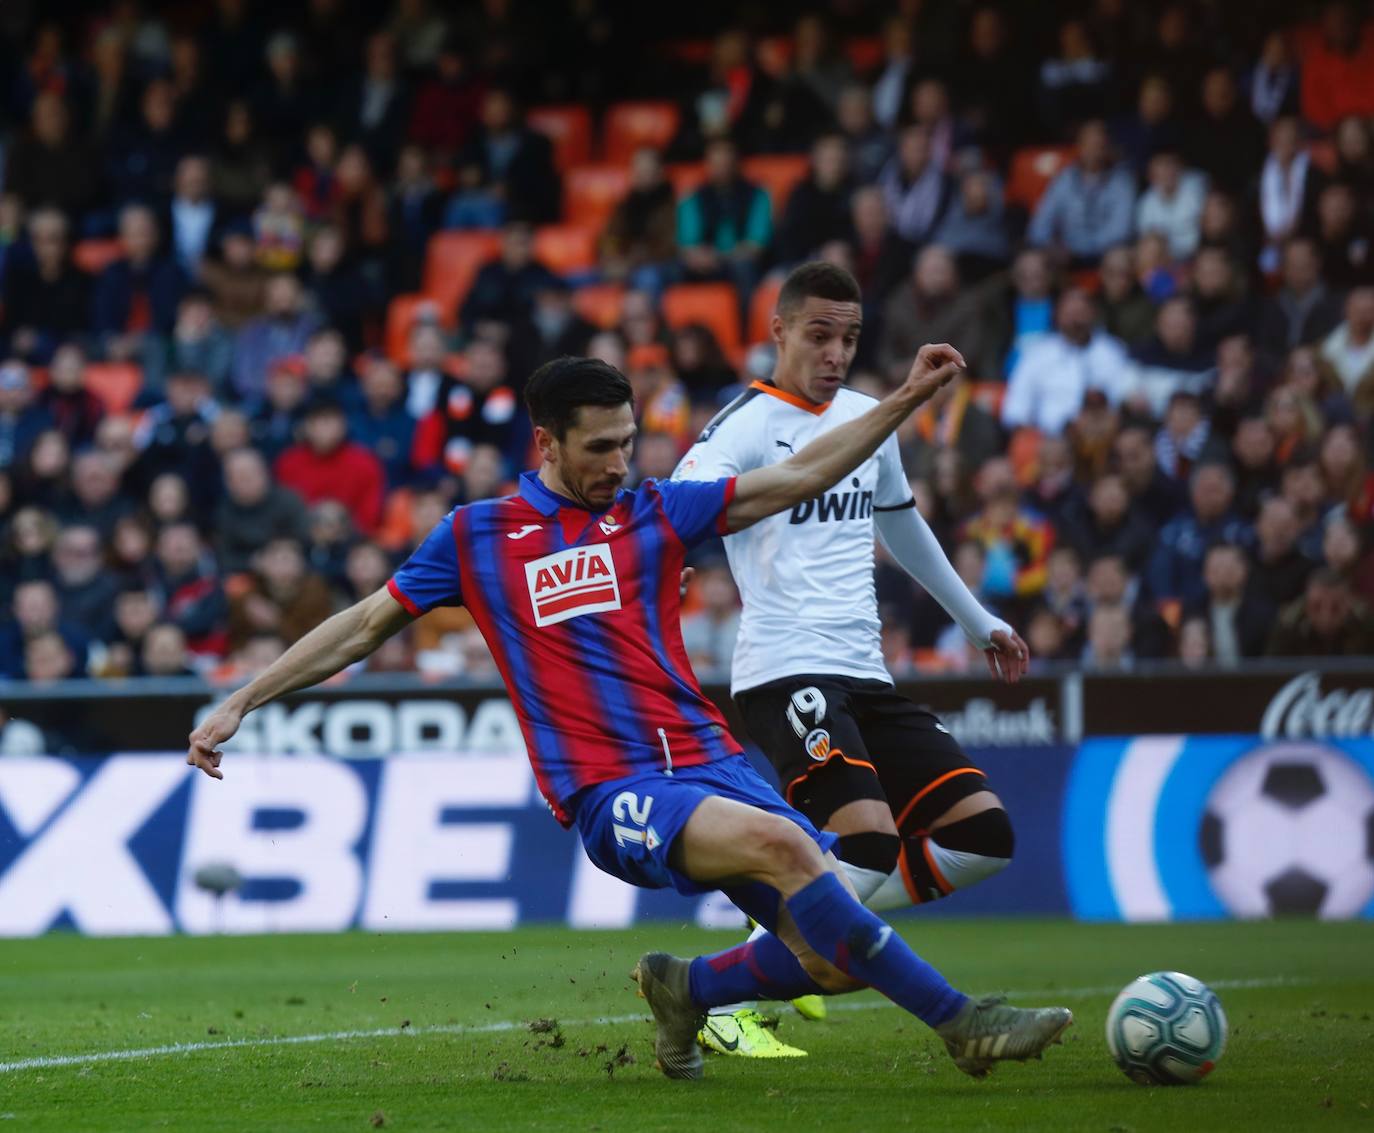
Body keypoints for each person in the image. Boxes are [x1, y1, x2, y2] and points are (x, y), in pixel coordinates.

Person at [187, 349, 1071, 1083]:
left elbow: (801, 471)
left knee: (833, 954)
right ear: (545, 442)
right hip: (616, 791)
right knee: (795, 851)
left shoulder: (655, 512)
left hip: (716, 763)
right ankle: (965, 1021)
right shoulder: (477, 535)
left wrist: (908, 399)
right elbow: (364, 624)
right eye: (601, 447)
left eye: (629, 441)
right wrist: (242, 698)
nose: (620, 462)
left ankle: (686, 988)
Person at [673, 262, 1028, 1056]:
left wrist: (976, 620)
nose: (836, 353)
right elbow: (677, 502)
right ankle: (738, 996)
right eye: (820, 334)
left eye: (850, 338)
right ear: (779, 333)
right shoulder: (745, 425)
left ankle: (779, 940)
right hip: (783, 670)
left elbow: (899, 525)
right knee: (866, 843)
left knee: (982, 836)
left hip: (865, 671)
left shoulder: (868, 417)